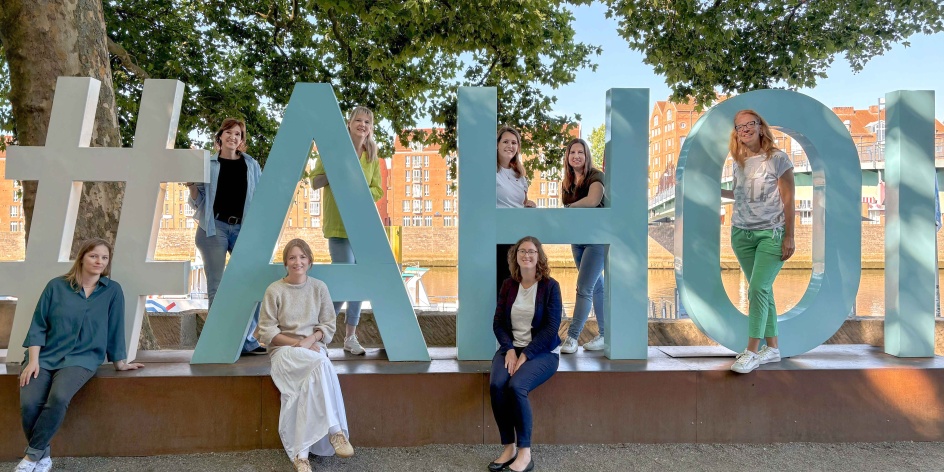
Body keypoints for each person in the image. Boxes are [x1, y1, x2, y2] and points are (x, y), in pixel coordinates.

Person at [16, 239, 144, 472]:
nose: (99, 261)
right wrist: (33, 360)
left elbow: (115, 327)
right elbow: (38, 325)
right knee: (29, 402)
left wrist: (120, 362)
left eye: (104, 258)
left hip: (83, 358)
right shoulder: (56, 286)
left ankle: (31, 458)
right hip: (45, 355)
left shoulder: (112, 291)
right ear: (82, 257)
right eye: (94, 256)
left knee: (59, 398)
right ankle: (43, 457)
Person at [257, 238, 354, 472]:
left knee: (311, 381)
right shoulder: (275, 290)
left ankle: (301, 456)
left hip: (313, 349)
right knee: (322, 365)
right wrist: (299, 343)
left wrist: (310, 340)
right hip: (284, 353)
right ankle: (335, 430)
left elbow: (328, 325)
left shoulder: (319, 287)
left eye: (302, 257)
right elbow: (267, 331)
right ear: (285, 263)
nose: (297, 262)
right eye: (292, 257)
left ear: (310, 261)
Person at [721, 110, 795, 374]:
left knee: (757, 289)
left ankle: (751, 351)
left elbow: (788, 199)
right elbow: (740, 194)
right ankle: (772, 348)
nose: (744, 129)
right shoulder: (737, 162)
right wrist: (714, 190)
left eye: (750, 124)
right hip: (741, 234)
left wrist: (790, 235)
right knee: (763, 290)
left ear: (761, 127)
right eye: (739, 127)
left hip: (771, 234)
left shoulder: (778, 159)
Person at [186, 118, 265, 355]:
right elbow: (197, 202)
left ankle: (246, 340)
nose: (233, 137)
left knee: (254, 283)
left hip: (243, 228)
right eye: (228, 132)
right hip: (214, 228)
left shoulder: (251, 165)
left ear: (242, 140)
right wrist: (191, 186)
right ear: (219, 137)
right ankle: (218, 341)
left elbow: (259, 198)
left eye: (238, 134)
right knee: (217, 288)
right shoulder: (207, 164)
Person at [309, 106, 384, 356]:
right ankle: (322, 335)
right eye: (358, 120)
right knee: (345, 279)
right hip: (339, 224)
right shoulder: (333, 150)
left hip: (363, 227)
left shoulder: (372, 154)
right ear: (349, 123)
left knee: (359, 280)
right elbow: (315, 181)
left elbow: (378, 190)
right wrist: (339, 173)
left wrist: (360, 189)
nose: (362, 124)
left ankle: (349, 337)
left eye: (367, 121)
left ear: (371, 127)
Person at [489, 236, 561, 472]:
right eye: (522, 251)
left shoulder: (551, 287)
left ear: (538, 256)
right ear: (515, 255)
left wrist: (526, 355)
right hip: (511, 349)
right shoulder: (508, 285)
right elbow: (498, 323)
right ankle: (508, 447)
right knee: (498, 384)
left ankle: (525, 453)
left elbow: (551, 330)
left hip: (543, 352)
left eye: (531, 251)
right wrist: (509, 349)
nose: (526, 255)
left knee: (516, 386)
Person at [558, 138, 607, 354]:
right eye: (572, 153)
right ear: (567, 158)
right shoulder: (567, 182)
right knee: (596, 286)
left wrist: (570, 206)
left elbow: (593, 200)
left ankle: (572, 337)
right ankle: (606, 335)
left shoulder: (595, 176)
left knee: (584, 287)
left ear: (586, 156)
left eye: (580, 152)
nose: (576, 156)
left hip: (596, 239)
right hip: (576, 240)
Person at [495, 125, 537, 295]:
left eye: (514, 142)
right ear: (497, 144)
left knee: (517, 284)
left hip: (518, 235)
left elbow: (522, 202)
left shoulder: (519, 174)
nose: (510, 146)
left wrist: (530, 204)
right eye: (505, 141)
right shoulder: (490, 172)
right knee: (502, 283)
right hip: (498, 234)